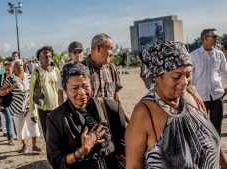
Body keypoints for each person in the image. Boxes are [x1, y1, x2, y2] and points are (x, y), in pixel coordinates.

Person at [125, 40, 227, 168]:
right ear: (157, 77)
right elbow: (133, 166)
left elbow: (212, 138)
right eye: (176, 76)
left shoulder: (192, 94)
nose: (185, 82)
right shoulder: (144, 113)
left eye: (188, 74)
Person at [46, 62, 126, 169]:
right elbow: (56, 161)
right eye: (74, 88)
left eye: (85, 86)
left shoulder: (110, 107)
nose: (82, 92)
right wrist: (82, 151)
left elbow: (122, 147)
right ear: (65, 89)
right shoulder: (56, 118)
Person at [81, 33, 129, 122]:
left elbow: (117, 99)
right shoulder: (81, 70)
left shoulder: (112, 68)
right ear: (98, 48)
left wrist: (128, 121)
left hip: (113, 122)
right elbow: (77, 105)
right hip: (91, 125)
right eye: (110, 48)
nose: (112, 53)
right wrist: (93, 126)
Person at [190, 28, 227, 136]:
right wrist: (192, 96)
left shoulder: (219, 54)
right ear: (205, 38)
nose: (217, 38)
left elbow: (224, 71)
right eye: (214, 36)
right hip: (200, 97)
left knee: (216, 128)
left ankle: (216, 151)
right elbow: (190, 77)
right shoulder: (193, 55)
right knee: (200, 127)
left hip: (217, 95)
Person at [0, 59, 41, 153]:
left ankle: (34, 145)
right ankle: (25, 145)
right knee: (20, 127)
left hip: (29, 106)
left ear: (23, 66)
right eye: (16, 66)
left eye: (21, 65)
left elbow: (36, 90)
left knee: (33, 125)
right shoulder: (10, 79)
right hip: (16, 107)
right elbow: (1, 92)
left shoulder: (30, 77)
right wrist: (11, 88)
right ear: (13, 68)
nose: (19, 67)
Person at [29, 46, 60, 141]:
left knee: (59, 135)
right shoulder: (36, 72)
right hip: (44, 109)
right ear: (40, 59)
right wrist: (33, 112)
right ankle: (51, 155)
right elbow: (31, 93)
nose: (48, 58)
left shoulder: (56, 70)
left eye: (50, 56)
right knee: (48, 136)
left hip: (57, 108)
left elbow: (60, 90)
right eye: (45, 56)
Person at [0, 60, 16, 145]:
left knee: (15, 120)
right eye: (6, 69)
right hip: (5, 102)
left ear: (12, 68)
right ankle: (10, 138)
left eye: (9, 68)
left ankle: (17, 135)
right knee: (9, 120)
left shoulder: (15, 77)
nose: (7, 71)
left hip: (15, 102)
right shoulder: (1, 77)